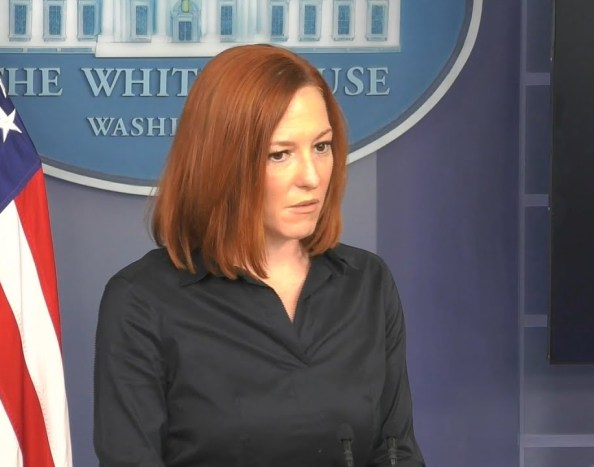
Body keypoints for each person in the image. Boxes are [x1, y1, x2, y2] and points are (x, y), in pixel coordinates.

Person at [93, 44, 425, 467]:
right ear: (222, 163)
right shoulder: (141, 301)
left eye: (322, 147)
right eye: (280, 154)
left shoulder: (367, 283)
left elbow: (397, 452)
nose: (311, 177)